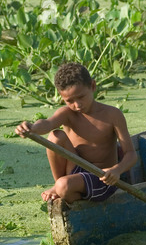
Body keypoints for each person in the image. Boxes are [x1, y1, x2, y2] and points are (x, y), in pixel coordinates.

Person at [15, 63, 137, 204]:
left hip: (102, 178)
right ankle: (59, 186)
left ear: (92, 86)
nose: (77, 105)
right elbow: (47, 124)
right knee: (55, 136)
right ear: (62, 98)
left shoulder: (113, 114)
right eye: (70, 101)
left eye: (81, 97)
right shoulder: (67, 113)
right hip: (75, 171)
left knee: (64, 185)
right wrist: (32, 128)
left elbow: (131, 154)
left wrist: (116, 170)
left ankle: (63, 188)